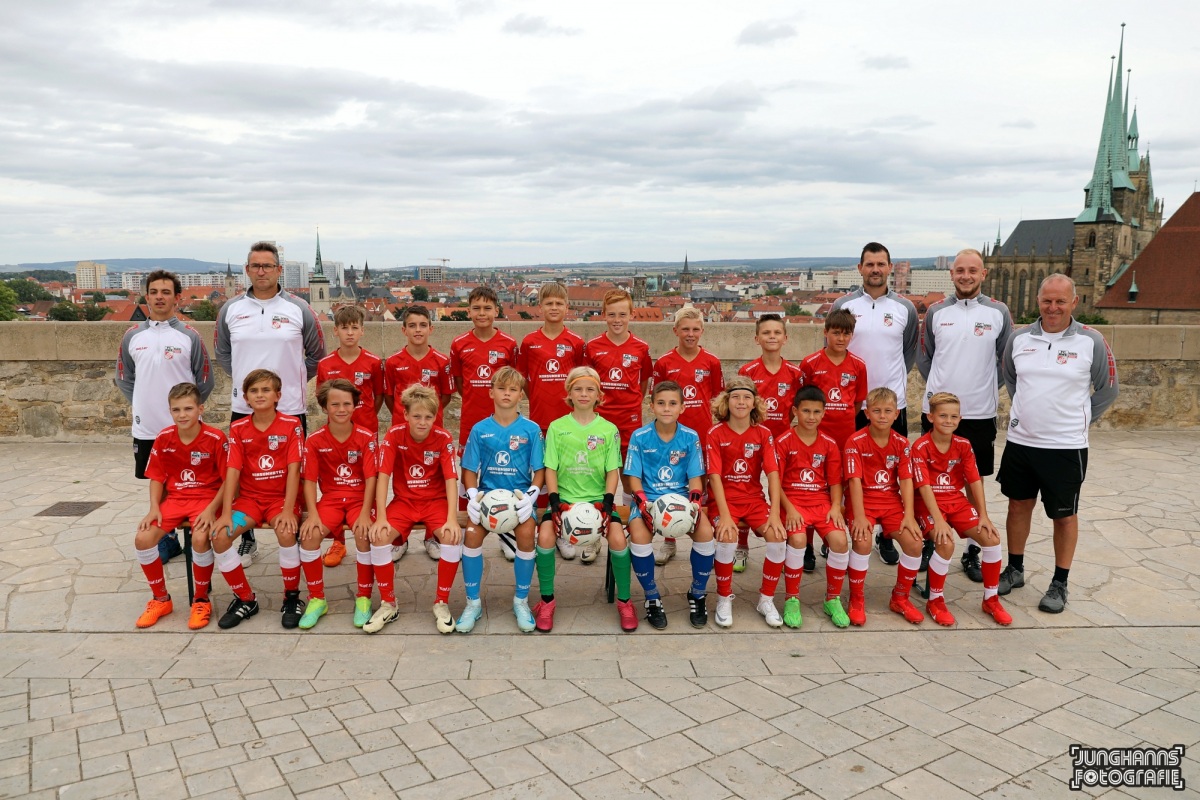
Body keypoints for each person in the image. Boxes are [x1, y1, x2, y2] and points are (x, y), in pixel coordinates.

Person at [997, 274, 1118, 613]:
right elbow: (1011, 378)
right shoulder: (1019, 339)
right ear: (1039, 301)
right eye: (1047, 300)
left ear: (1074, 303)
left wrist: (1075, 420)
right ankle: (1015, 568)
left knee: (1064, 516)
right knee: (1017, 506)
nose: (1053, 307)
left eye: (1060, 301)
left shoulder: (1091, 341)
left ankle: (1059, 583)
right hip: (1022, 442)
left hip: (1066, 447)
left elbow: (1108, 390)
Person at [215, 241, 324, 567]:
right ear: (247, 270)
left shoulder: (299, 308)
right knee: (242, 474)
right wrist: (250, 391)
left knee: (298, 471)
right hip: (244, 407)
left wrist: (289, 386)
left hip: (290, 407)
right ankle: (246, 540)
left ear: (279, 270)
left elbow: (317, 355)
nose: (261, 271)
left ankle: (300, 530)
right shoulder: (230, 310)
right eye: (255, 265)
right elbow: (223, 354)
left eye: (268, 265)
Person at [917, 249, 1012, 582]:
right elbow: (925, 356)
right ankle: (932, 541)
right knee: (928, 479)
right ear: (952, 274)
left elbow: (1006, 361)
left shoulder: (999, 312)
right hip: (937, 411)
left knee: (973, 482)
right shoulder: (936, 312)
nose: (966, 276)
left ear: (983, 274)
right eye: (960, 270)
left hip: (979, 412)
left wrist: (985, 387)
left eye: (972, 270)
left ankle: (972, 548)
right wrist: (941, 389)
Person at [116, 269, 215, 564]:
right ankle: (168, 538)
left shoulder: (188, 336)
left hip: (185, 428)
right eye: (154, 292)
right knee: (158, 483)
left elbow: (204, 380)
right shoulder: (132, 336)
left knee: (195, 480)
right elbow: (124, 377)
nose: (160, 297)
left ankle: (200, 532)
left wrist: (190, 414)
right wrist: (143, 402)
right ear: (146, 296)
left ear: (177, 297)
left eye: (166, 292)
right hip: (148, 427)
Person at [830, 242, 918, 567]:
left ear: (890, 267)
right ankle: (837, 526)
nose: (875, 269)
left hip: (891, 406)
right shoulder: (844, 303)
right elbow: (832, 346)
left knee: (890, 471)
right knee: (845, 471)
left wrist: (890, 388)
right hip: (851, 406)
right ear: (860, 268)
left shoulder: (905, 308)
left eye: (881, 264)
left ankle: (884, 534)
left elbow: (909, 352)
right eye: (870, 264)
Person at [534, 367, 627, 632]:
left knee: (619, 540)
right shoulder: (557, 427)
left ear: (600, 395)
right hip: (564, 501)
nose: (584, 394)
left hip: (598, 500)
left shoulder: (608, 429)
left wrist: (608, 502)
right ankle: (547, 601)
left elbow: (612, 470)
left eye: (590, 389)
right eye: (578, 389)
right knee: (545, 537)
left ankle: (624, 601)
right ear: (569, 394)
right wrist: (554, 501)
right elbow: (550, 467)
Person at [211, 369, 305, 629]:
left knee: (286, 533)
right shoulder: (239, 427)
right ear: (246, 398)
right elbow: (233, 471)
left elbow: (295, 469)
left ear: (278, 395)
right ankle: (245, 599)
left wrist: (288, 510)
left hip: (280, 500)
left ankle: (292, 597)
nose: (260, 395)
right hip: (250, 501)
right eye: (254, 391)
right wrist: (227, 512)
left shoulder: (291, 424)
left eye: (266, 390)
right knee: (220, 536)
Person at [131, 382, 227, 629]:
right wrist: (154, 507)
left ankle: (201, 600)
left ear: (200, 408)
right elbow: (156, 477)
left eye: (188, 408)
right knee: (143, 539)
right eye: (176, 410)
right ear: (170, 411)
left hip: (207, 500)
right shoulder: (163, 438)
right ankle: (161, 599)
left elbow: (230, 482)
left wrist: (211, 509)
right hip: (175, 500)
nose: (182, 415)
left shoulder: (216, 438)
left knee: (199, 539)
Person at [911, 393, 1011, 626]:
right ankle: (935, 600)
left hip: (955, 501)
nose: (948, 420)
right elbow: (923, 487)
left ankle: (991, 599)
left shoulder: (964, 445)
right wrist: (939, 520)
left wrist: (984, 516)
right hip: (926, 504)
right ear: (930, 417)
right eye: (943, 415)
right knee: (945, 542)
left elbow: (974, 481)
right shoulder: (921, 446)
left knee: (991, 538)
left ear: (960, 419)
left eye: (954, 416)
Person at [459, 368, 546, 632]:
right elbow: (470, 470)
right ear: (491, 392)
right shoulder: (480, 429)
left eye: (512, 389)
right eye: (501, 388)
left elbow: (540, 471)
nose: (506, 393)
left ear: (522, 394)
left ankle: (520, 600)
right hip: (487, 501)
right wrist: (473, 496)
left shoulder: (531, 430)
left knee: (527, 533)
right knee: (471, 535)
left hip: (518, 502)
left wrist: (531, 496)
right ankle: (472, 603)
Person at [624, 381, 714, 629]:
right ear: (651, 406)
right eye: (661, 403)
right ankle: (652, 597)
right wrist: (643, 504)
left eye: (673, 403)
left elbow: (696, 476)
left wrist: (695, 501)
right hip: (650, 502)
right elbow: (633, 477)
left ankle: (697, 593)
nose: (666, 408)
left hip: (682, 502)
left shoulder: (690, 436)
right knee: (639, 538)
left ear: (682, 407)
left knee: (706, 535)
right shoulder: (639, 436)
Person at [372, 385, 462, 633]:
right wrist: (380, 517)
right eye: (417, 416)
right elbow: (383, 476)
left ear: (435, 417)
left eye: (428, 417)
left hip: (435, 502)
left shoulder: (443, 438)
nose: (422, 422)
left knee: (452, 539)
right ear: (406, 415)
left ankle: (441, 602)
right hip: (404, 502)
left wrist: (452, 519)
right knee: (378, 537)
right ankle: (389, 603)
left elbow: (451, 481)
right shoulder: (394, 435)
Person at [298, 379, 379, 630]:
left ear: (355, 406)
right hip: (331, 499)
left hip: (359, 499)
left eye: (347, 403)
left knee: (365, 535)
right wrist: (312, 515)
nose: (341, 409)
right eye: (335, 404)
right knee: (310, 536)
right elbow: (309, 481)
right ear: (325, 407)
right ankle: (317, 599)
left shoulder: (366, 438)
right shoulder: (314, 440)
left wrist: (366, 514)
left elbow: (372, 479)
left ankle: (364, 597)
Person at [705, 377, 785, 629]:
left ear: (754, 403)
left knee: (777, 537)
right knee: (727, 537)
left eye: (747, 397)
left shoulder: (763, 433)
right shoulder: (715, 433)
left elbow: (773, 473)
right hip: (724, 502)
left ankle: (766, 599)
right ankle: (723, 598)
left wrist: (774, 513)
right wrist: (726, 516)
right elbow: (714, 476)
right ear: (726, 402)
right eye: (736, 397)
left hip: (753, 500)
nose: (741, 402)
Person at [842, 388, 923, 626]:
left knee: (914, 543)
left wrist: (908, 515)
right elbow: (854, 482)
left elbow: (906, 481)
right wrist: (858, 516)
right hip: (863, 502)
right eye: (876, 411)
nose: (882, 416)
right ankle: (856, 599)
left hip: (890, 503)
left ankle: (900, 598)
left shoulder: (901, 443)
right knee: (863, 541)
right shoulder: (855, 441)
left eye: (888, 411)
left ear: (897, 414)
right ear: (866, 413)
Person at [650, 307, 723, 566]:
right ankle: (669, 541)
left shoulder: (711, 362)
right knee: (672, 485)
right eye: (685, 329)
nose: (690, 334)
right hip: (670, 436)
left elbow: (717, 398)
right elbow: (655, 398)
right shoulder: (664, 363)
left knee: (699, 489)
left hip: (700, 436)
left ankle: (701, 539)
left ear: (702, 331)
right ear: (675, 331)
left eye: (695, 329)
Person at [516, 282, 584, 561]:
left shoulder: (576, 342)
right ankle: (537, 529)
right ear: (540, 307)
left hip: (569, 422)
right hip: (541, 421)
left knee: (566, 479)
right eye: (549, 303)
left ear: (567, 307)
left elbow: (582, 382)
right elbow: (524, 382)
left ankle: (562, 531)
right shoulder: (530, 342)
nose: (554, 308)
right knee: (541, 478)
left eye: (559, 303)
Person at [584, 289, 653, 563]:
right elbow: (586, 384)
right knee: (597, 481)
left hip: (629, 424)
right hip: (599, 423)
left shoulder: (641, 348)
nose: (616, 319)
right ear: (603, 315)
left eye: (622, 314)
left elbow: (645, 384)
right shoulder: (592, 347)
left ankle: (623, 534)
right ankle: (594, 535)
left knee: (627, 481)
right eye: (611, 314)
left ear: (631, 315)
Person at [774, 386, 852, 629]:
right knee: (798, 541)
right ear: (795, 411)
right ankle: (792, 599)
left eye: (816, 411)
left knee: (840, 542)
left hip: (821, 503)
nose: (811, 416)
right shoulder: (783, 441)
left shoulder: (828, 444)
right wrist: (789, 509)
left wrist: (835, 507)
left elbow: (835, 481)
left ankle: (832, 599)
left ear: (824, 413)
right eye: (806, 410)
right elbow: (775, 483)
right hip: (793, 502)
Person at [382, 304, 454, 561]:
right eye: (412, 325)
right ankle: (399, 537)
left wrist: (426, 417)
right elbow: (390, 398)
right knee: (404, 484)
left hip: (433, 433)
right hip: (403, 435)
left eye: (423, 325)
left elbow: (445, 396)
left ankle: (432, 535)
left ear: (431, 328)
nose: (418, 330)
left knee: (434, 482)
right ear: (403, 330)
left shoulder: (442, 362)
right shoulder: (392, 362)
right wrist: (406, 420)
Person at [315, 306, 384, 569]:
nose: (350, 332)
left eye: (355, 327)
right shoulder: (326, 364)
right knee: (334, 482)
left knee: (367, 478)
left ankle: (369, 519)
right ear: (336, 331)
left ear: (362, 330)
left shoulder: (373, 362)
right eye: (345, 328)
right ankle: (338, 540)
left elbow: (378, 396)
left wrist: (364, 420)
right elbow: (323, 398)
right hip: (334, 435)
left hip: (365, 431)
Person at [798, 307, 868, 564]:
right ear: (825, 333)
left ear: (852, 336)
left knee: (838, 490)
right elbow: (804, 399)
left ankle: (831, 539)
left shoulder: (858, 365)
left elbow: (858, 402)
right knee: (810, 489)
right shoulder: (810, 363)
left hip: (844, 439)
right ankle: (805, 545)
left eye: (846, 334)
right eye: (836, 333)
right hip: (814, 438)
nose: (841, 338)